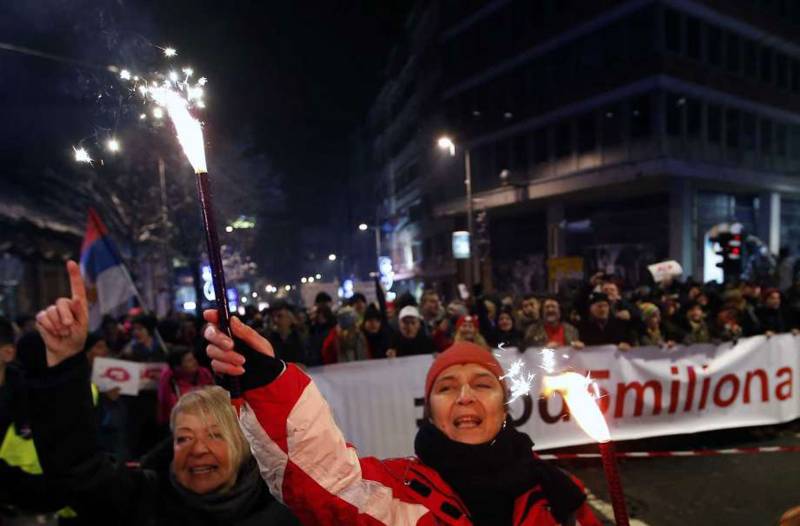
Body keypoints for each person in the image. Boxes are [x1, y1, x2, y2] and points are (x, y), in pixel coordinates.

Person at [204, 313, 602, 526]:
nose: (464, 396)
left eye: (482, 384)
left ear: (504, 405)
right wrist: (266, 377)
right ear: (430, 411)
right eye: (446, 388)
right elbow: (318, 479)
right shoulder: (393, 493)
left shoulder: (560, 495)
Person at [22, 260, 299, 525]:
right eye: (183, 438)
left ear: (242, 445)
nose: (198, 450)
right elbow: (77, 472)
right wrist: (65, 364)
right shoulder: (142, 502)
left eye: (215, 435)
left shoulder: (290, 507)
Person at [157, 346, 215, 425]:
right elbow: (171, 408)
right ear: (177, 367)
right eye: (189, 361)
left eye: (193, 359)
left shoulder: (204, 373)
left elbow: (214, 397)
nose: (195, 362)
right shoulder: (169, 379)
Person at [265, 300, 307, 364]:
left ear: (291, 319)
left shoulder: (301, 338)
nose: (275, 320)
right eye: (273, 316)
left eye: (280, 316)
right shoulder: (269, 341)